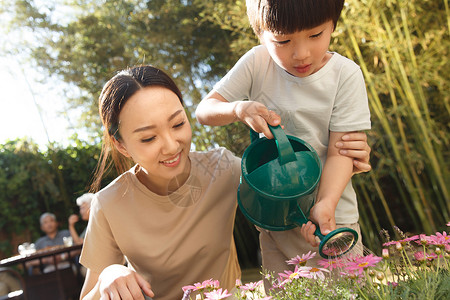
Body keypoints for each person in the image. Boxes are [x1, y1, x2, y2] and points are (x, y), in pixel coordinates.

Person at [195, 0, 371, 279]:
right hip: (274, 219)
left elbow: (342, 151)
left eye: (315, 35)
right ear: (261, 35)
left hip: (332, 219)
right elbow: (205, 111)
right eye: (283, 40)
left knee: (348, 291)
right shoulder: (256, 63)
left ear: (333, 25)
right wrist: (239, 109)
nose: (301, 53)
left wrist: (324, 204)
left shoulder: (345, 75)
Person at [79, 65, 242, 300]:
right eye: (148, 138)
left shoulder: (223, 169)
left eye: (178, 124)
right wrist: (108, 275)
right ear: (121, 145)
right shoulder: (109, 204)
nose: (172, 146)